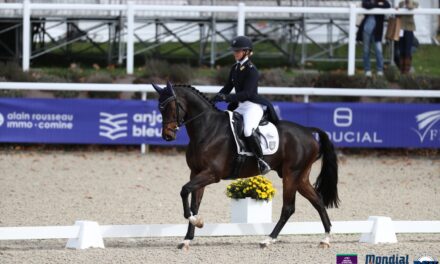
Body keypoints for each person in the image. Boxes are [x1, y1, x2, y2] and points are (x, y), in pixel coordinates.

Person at [211, 36, 279, 175]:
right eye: (234, 51)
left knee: (248, 130)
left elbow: (247, 93)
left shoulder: (251, 69)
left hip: (252, 106)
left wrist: (227, 98)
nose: (235, 53)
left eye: (238, 51)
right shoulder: (235, 68)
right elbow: (228, 86)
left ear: (247, 52)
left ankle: (261, 161)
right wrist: (214, 99)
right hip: (240, 106)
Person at [356, 0, 391, 77]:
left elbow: (387, 5)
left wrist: (374, 4)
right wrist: (377, 4)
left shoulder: (383, 1)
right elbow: (366, 5)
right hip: (366, 29)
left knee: (379, 50)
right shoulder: (367, 1)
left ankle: (380, 70)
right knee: (366, 50)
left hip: (377, 30)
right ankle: (367, 69)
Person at [397, 0, 419, 74]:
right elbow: (398, 15)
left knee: (407, 50)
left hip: (409, 29)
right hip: (401, 29)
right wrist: (397, 10)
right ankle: (401, 69)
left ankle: (407, 69)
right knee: (401, 49)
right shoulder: (401, 3)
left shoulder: (414, 3)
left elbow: (411, 8)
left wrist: (408, 4)